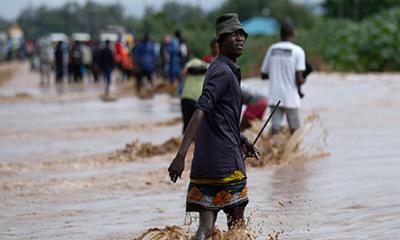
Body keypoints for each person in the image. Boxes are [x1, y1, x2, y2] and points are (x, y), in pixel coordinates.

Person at [168, 13, 260, 240]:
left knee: (205, 230)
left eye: (242, 35)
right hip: (227, 165)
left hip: (207, 165)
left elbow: (221, 119)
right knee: (237, 229)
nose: (240, 39)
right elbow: (200, 111)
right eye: (233, 35)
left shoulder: (221, 69)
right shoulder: (222, 71)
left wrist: (242, 139)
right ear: (219, 41)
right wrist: (180, 156)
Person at [260, 23, 306, 134]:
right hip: (291, 98)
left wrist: (276, 72)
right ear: (293, 34)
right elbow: (299, 80)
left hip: (274, 97)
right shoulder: (298, 51)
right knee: (295, 131)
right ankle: (293, 151)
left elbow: (263, 75)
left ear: (280, 34)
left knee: (275, 131)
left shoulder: (272, 49)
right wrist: (305, 79)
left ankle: (275, 151)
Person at [180, 58, 208, 133]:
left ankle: (184, 142)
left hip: (186, 96)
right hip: (199, 98)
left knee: (187, 123)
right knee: (197, 125)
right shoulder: (205, 66)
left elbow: (183, 73)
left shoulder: (192, 62)